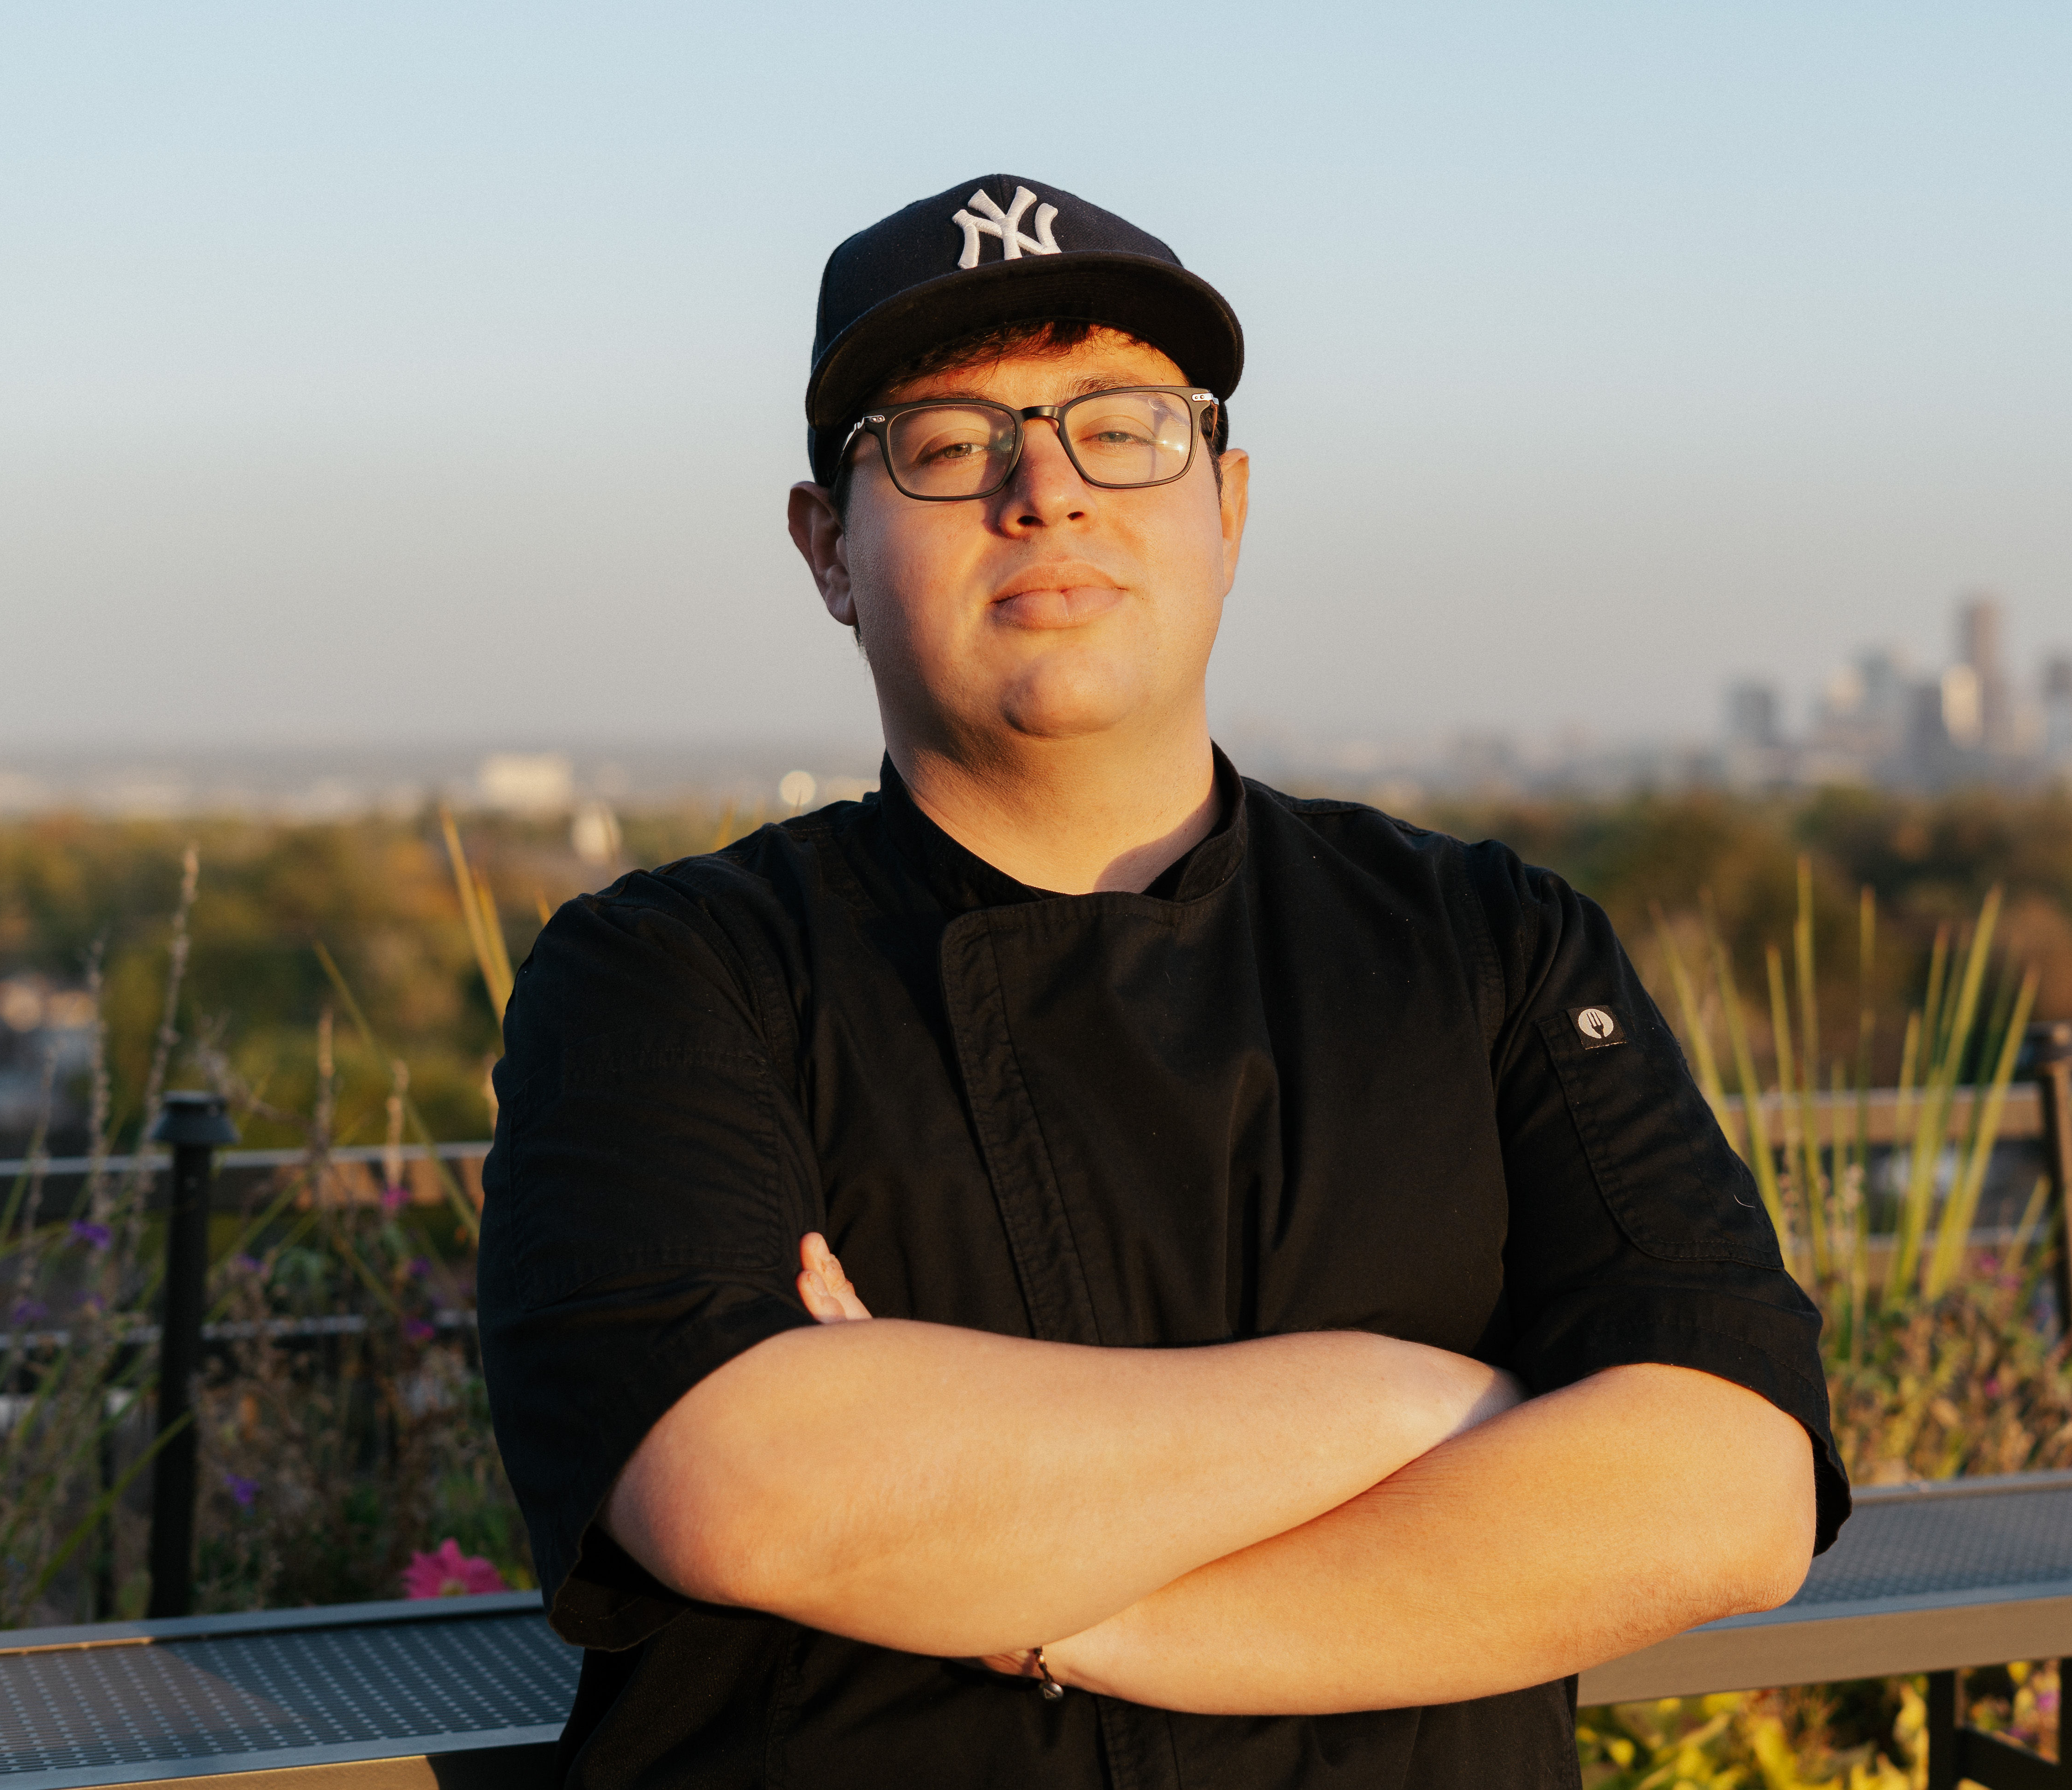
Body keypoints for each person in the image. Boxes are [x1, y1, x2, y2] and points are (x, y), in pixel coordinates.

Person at [479, 173, 1848, 1790]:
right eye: (947, 444)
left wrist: (1052, 1605)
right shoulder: (667, 975)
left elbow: (1726, 1490)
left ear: (1231, 505)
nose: (1046, 492)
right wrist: (1412, 1401)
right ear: (828, 547)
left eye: (1123, 428)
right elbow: (748, 1486)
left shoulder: (1491, 945)